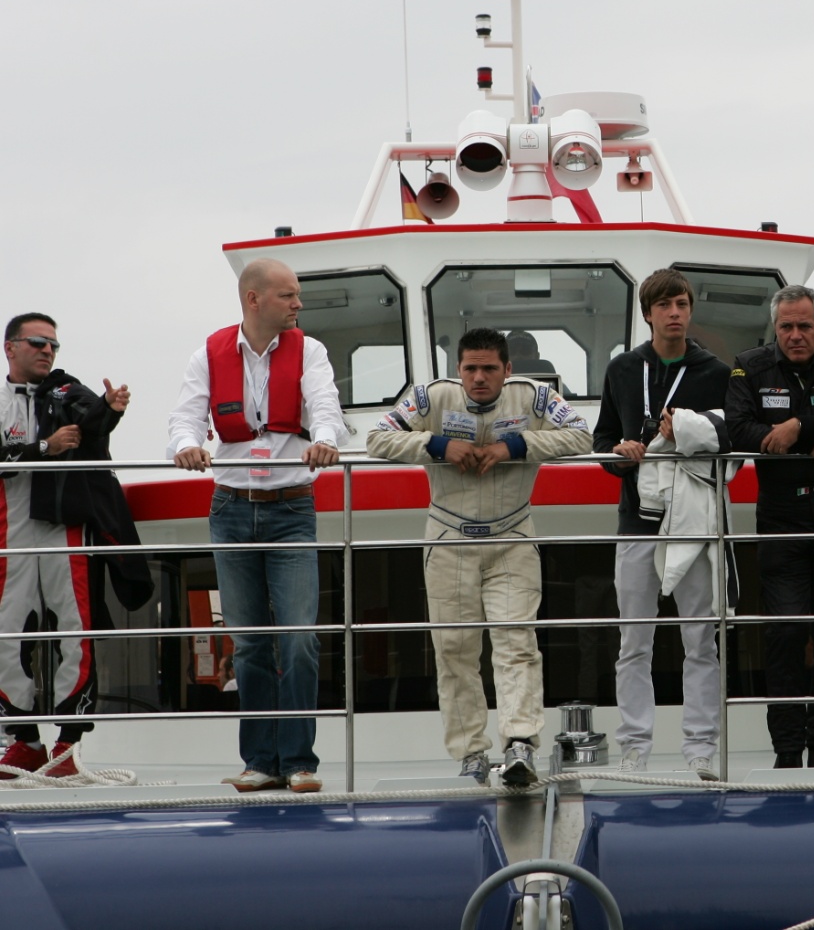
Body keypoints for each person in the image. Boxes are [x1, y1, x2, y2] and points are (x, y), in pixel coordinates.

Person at [368, 328, 592, 786]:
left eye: (490, 368)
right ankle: (471, 753)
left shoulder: (534, 397)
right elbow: (376, 438)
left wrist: (517, 445)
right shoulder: (429, 399)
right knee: (454, 651)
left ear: (508, 371)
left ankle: (520, 745)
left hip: (512, 535)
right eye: (470, 368)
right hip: (449, 536)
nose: (479, 377)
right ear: (458, 370)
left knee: (516, 643)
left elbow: (582, 435)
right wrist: (434, 445)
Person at [168, 258, 347, 793]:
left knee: (296, 638)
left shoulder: (310, 351)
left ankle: (299, 762)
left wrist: (328, 439)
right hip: (230, 507)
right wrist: (186, 446)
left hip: (291, 508)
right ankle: (260, 762)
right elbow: (184, 417)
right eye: (289, 295)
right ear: (254, 300)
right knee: (247, 641)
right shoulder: (209, 352)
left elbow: (325, 406)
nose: (298, 304)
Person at [591, 269, 731, 780]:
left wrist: (688, 431)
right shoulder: (623, 369)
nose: (675, 312)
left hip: (693, 522)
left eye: (682, 303)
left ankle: (700, 749)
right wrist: (617, 455)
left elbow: (729, 441)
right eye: (665, 305)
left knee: (700, 639)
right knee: (634, 642)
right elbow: (601, 437)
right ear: (647, 313)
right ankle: (635, 748)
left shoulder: (716, 372)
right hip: (637, 519)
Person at [725, 285, 814, 768]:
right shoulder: (749, 364)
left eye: (804, 326)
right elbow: (740, 430)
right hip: (781, 515)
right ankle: (787, 749)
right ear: (775, 328)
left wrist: (799, 428)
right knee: (785, 632)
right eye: (786, 326)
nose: (795, 335)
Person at [0, 313, 137, 779]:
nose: (48, 351)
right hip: (9, 536)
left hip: (65, 531)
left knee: (76, 631)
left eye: (54, 345)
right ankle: (23, 743)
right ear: (10, 348)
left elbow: (94, 420)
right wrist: (45, 449)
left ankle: (67, 745)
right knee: (6, 636)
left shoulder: (65, 390)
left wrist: (111, 407)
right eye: (38, 342)